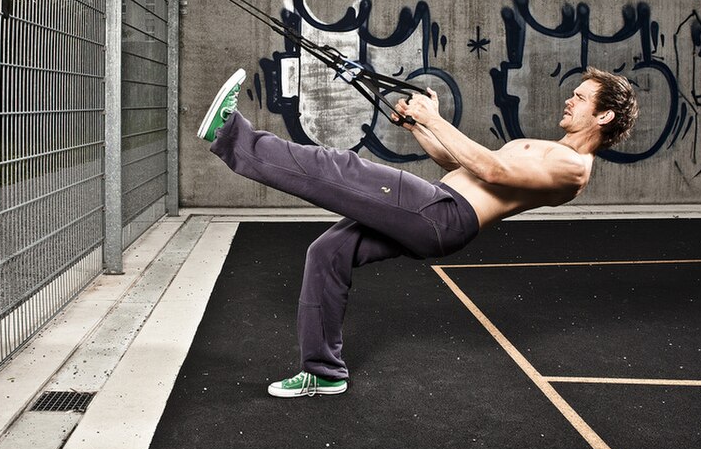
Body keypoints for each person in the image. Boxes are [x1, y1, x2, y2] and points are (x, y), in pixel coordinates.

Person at [197, 66, 638, 398]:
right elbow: (460, 164)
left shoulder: (572, 167)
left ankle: (233, 137)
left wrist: (434, 118)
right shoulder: (553, 151)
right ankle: (323, 372)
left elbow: (492, 167)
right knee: (328, 252)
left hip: (442, 213)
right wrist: (423, 127)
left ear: (603, 115)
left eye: (580, 98)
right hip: (437, 210)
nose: (570, 101)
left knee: (342, 167)